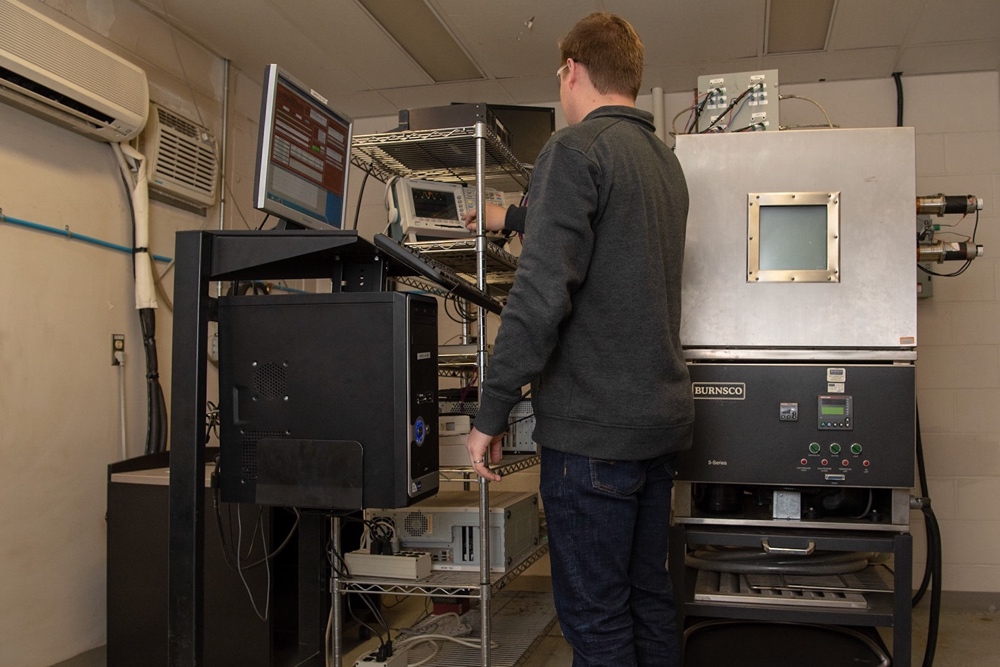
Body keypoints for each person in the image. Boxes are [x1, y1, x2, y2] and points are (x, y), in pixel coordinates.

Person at [464, 11, 694, 667]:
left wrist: (491, 410)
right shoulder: (664, 165)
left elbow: (539, 296)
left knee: (595, 622)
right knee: (647, 600)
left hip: (594, 436)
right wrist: (516, 215)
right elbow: (613, 253)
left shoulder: (573, 149)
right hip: (653, 428)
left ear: (571, 70)